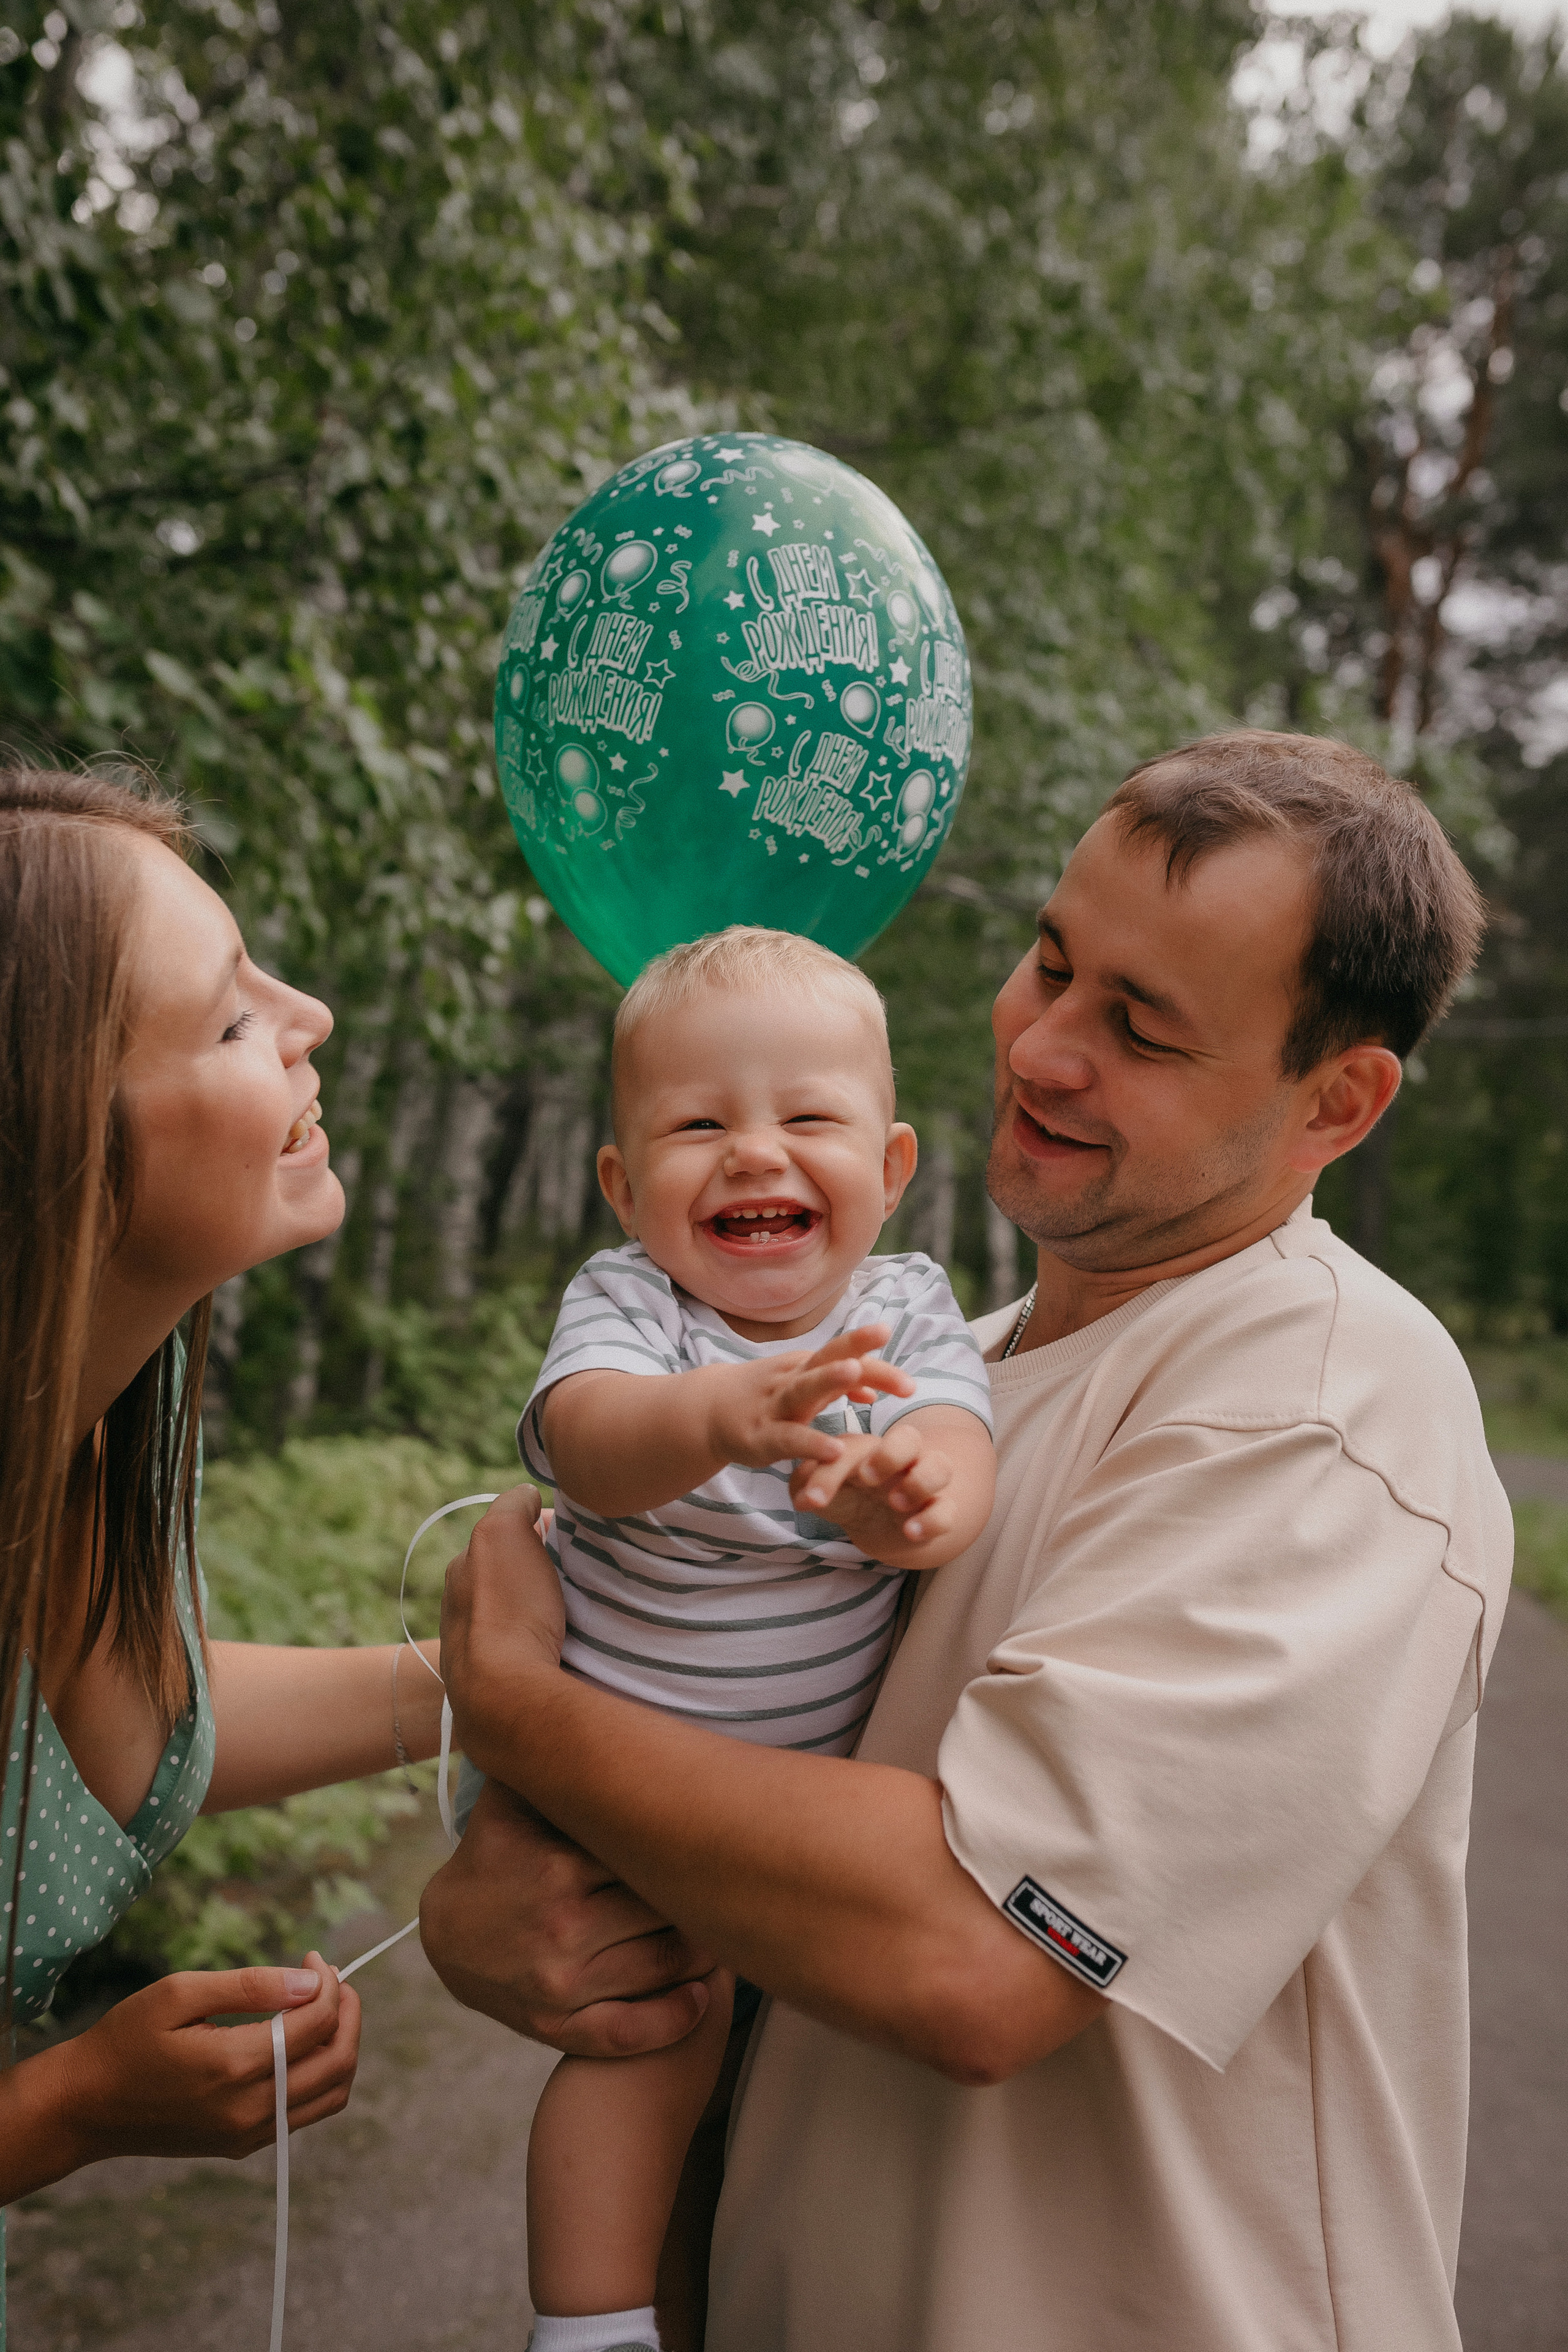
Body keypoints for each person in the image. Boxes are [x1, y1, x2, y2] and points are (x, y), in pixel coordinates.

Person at [424, 728, 1513, 2352]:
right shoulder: (954, 1370)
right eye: (1052, 962)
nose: (1043, 1048)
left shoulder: (1321, 1406)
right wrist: (508, 1904)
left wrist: (527, 1723)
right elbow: (729, 1775)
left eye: (1138, 1028)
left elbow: (977, 1962)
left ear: (1335, 1103)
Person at [489, 927, 995, 2352]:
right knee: (658, 2034)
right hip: (614, 1777)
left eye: (807, 1118)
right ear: (621, 1183)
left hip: (799, 1811)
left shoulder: (904, 1308)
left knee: (780, 2103)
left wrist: (910, 1503)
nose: (753, 1154)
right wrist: (725, 1416)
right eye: (697, 1122)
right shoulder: (632, 1307)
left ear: (889, 1171)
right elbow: (583, 1449)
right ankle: (584, 2330)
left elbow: (954, 1450)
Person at [0, 767, 451, 2340]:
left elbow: (143, 1742)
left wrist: (508, 1688)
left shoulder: (84, 1441)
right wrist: (65, 2108)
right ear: (53, 1128)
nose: (310, 1012)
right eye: (232, 1021)